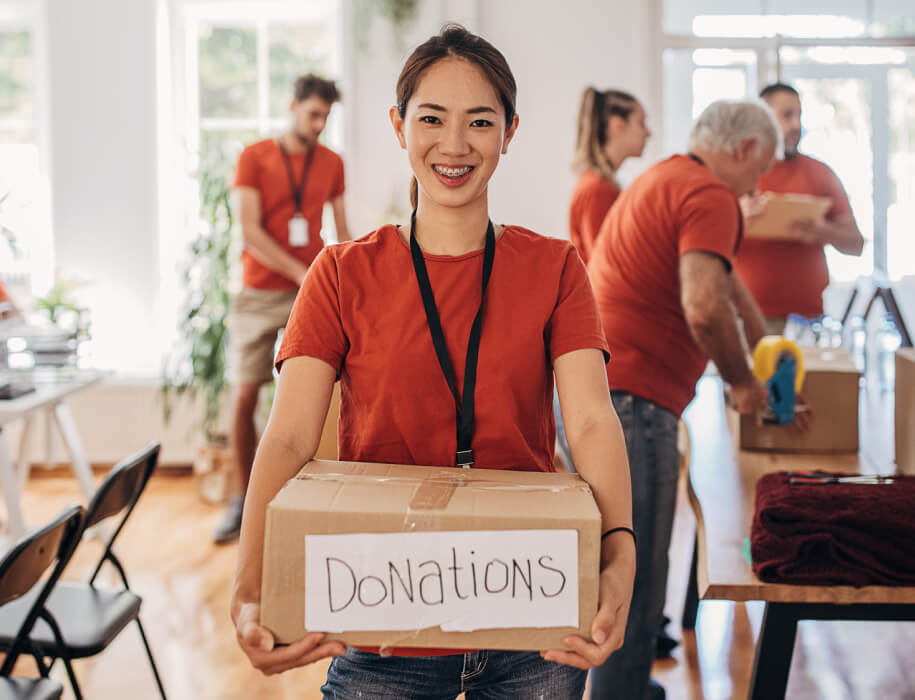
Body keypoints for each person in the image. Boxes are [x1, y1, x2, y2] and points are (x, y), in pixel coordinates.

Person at [232, 25, 636, 699]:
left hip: (531, 620)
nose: (453, 145)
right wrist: (248, 590)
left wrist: (619, 555)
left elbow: (592, 422)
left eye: (479, 121)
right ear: (398, 126)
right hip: (378, 619)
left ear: (509, 131)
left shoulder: (555, 268)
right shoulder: (338, 274)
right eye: (431, 119)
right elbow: (291, 437)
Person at [587, 100, 782, 700]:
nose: (761, 183)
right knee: (635, 574)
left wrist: (766, 346)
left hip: (606, 393)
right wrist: (744, 382)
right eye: (763, 167)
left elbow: (726, 286)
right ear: (744, 149)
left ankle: (627, 687)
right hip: (634, 400)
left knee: (619, 563)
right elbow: (703, 305)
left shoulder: (669, 177)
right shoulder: (710, 195)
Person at [213, 74, 351, 544]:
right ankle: (241, 498)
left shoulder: (331, 162)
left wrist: (349, 278)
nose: (318, 125)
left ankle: (298, 497)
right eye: (313, 114)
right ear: (292, 106)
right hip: (260, 290)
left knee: (312, 396)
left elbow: (343, 230)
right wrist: (300, 272)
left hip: (307, 288)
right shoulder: (254, 158)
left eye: (326, 118)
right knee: (245, 396)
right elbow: (250, 231)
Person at [735, 83, 864, 334]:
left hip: (805, 320)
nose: (796, 125)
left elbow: (856, 244)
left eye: (799, 115)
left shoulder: (820, 174)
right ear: (762, 120)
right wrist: (737, 219)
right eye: (787, 115)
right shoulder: (737, 174)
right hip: (746, 316)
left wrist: (822, 231)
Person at [568, 88, 650, 266]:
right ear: (617, 126)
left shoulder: (600, 184)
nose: (648, 133)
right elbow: (604, 263)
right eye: (642, 124)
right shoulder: (597, 189)